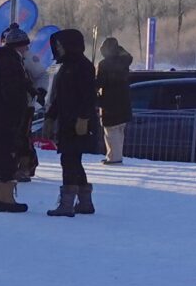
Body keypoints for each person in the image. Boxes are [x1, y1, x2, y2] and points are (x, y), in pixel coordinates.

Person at [43, 29, 101, 216]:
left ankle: (67, 204)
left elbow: (88, 95)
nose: (58, 48)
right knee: (73, 160)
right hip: (67, 119)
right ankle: (85, 202)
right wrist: (50, 116)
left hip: (78, 121)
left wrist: (83, 118)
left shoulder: (83, 66)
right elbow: (60, 96)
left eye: (60, 45)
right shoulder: (66, 65)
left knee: (69, 159)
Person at [0, 25, 34, 213]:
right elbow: (12, 94)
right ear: (18, 46)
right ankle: (5, 200)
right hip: (3, 118)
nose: (27, 49)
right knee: (6, 159)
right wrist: (20, 112)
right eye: (25, 45)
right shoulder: (11, 63)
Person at [96, 35, 134, 164]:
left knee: (110, 133)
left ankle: (113, 157)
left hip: (109, 104)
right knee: (119, 132)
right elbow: (128, 55)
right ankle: (115, 155)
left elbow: (99, 83)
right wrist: (119, 48)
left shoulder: (104, 64)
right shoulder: (124, 62)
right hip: (124, 103)